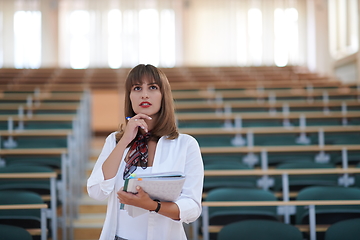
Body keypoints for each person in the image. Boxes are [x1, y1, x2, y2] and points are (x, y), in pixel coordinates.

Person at [87, 64, 204, 240]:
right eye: (137, 88)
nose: (144, 94)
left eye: (152, 87)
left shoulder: (186, 145)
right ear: (130, 97)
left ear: (163, 95)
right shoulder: (114, 141)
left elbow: (192, 208)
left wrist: (152, 205)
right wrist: (125, 139)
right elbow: (96, 191)